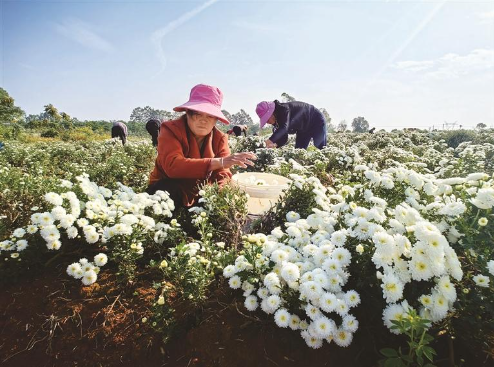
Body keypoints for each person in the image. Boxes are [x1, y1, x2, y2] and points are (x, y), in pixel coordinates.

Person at [146, 84, 256, 208]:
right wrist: (219, 162)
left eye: (210, 115)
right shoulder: (170, 129)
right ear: (187, 113)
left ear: (216, 119)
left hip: (198, 193)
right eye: (197, 114)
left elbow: (223, 174)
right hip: (168, 189)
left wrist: (221, 195)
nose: (203, 120)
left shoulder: (220, 138)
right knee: (167, 190)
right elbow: (173, 166)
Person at [255, 100, 327, 149]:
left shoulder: (283, 110)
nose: (267, 122)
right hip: (303, 129)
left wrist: (269, 141)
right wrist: (274, 145)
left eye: (267, 118)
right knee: (299, 151)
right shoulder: (275, 121)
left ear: (271, 113)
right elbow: (283, 137)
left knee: (320, 146)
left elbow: (284, 128)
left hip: (316, 120)